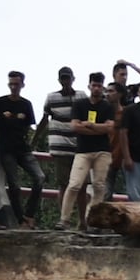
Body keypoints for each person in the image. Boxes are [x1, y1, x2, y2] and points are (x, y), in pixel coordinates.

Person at [57, 72, 114, 224]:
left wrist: (90, 125)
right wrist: (97, 128)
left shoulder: (107, 106)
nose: (96, 88)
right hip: (83, 150)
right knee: (74, 184)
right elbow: (75, 126)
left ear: (103, 88)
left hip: (102, 150)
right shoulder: (80, 104)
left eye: (99, 86)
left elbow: (109, 128)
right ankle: (64, 219)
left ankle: (92, 220)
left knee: (99, 186)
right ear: (89, 86)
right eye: (94, 85)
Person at [0, 71, 41, 225]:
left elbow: (30, 124)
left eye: (16, 84)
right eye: (11, 84)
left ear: (22, 85)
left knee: (39, 177)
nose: (13, 87)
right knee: (14, 185)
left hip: (22, 148)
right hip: (6, 147)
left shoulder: (26, 104)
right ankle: (20, 218)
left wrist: (31, 141)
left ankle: (29, 213)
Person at [40, 66, 90, 224]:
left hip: (81, 148)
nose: (66, 81)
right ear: (59, 80)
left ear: (73, 79)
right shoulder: (51, 98)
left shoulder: (82, 96)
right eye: (63, 78)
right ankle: (64, 220)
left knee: (81, 186)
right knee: (64, 185)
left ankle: (83, 221)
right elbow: (44, 119)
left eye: (68, 78)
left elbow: (91, 115)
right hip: (60, 147)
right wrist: (34, 141)